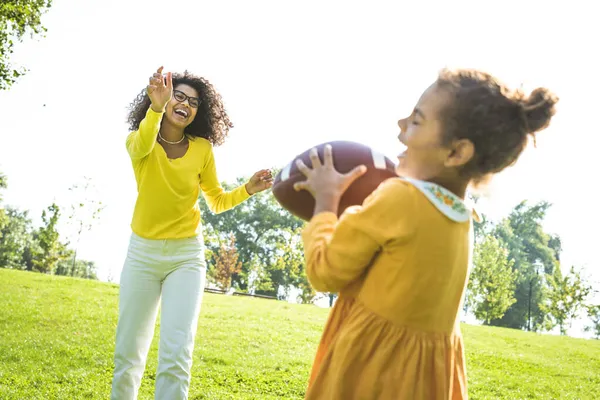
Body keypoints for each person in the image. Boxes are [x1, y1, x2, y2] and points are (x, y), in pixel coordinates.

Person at [294, 68, 558, 399]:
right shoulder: (461, 216)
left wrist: (327, 201)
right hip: (425, 380)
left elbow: (325, 272)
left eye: (417, 120)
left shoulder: (400, 198)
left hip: (371, 373)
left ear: (456, 153)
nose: (401, 124)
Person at [111, 66, 272, 400]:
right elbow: (143, 141)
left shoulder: (202, 149)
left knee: (176, 353)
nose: (185, 103)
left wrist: (248, 189)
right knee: (129, 354)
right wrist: (156, 107)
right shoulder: (138, 142)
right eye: (178, 96)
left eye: (194, 102)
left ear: (200, 112)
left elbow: (216, 200)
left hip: (186, 256)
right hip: (142, 254)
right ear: (165, 99)